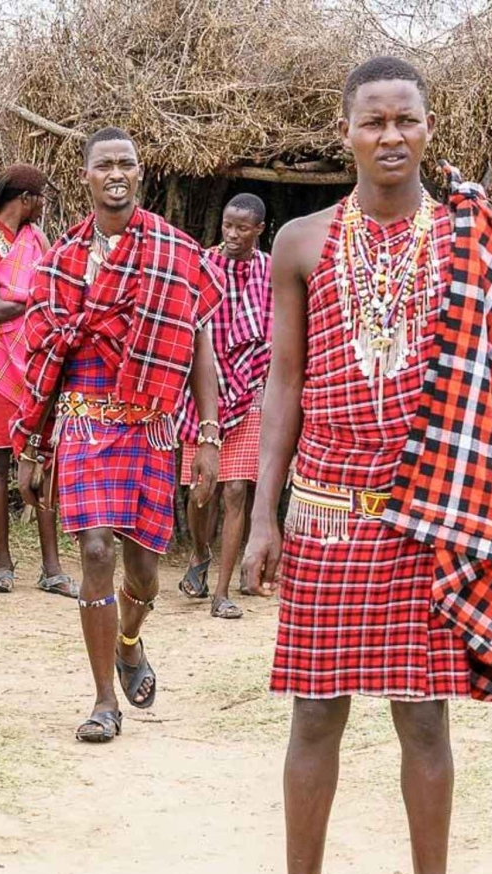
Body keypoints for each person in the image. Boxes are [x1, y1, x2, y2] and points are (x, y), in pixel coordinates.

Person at [232, 57, 492, 874]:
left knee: (427, 723)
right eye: (374, 121)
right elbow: (284, 384)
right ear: (347, 132)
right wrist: (263, 515)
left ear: (429, 129)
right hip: (327, 508)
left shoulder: (469, 241)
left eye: (406, 119)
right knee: (314, 715)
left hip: (428, 511)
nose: (391, 136)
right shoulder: (301, 242)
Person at [13, 127, 224, 743]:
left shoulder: (177, 252)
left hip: (151, 423)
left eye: (125, 164)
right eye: (103, 164)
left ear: (139, 173)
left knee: (145, 573)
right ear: (85, 175)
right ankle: (105, 700)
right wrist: (33, 445)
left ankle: (130, 640)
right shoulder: (60, 261)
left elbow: (199, 346)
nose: (115, 173)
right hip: (83, 421)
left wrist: (208, 435)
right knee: (97, 552)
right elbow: (44, 359)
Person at [0, 165, 77, 597]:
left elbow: (54, 296)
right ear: (26, 198)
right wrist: (34, 301)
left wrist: (31, 302)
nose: (44, 205)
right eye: (41, 197)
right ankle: (3, 563)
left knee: (42, 460)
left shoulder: (38, 239)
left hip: (34, 365)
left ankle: (52, 567)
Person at [177, 193, 272, 619]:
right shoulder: (201, 265)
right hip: (203, 392)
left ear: (259, 230)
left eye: (241, 228)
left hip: (249, 389)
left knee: (236, 490)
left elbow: (275, 331)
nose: (232, 234)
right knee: (201, 490)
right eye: (228, 226)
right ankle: (200, 553)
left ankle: (221, 592)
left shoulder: (269, 272)